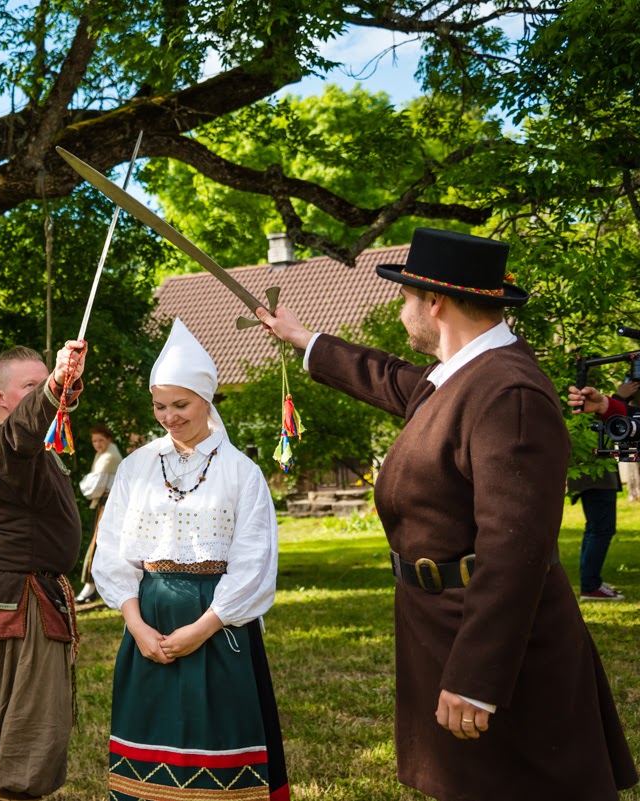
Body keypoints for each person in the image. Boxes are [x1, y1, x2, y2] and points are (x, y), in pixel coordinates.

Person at [257, 227, 637, 800]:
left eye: (407, 297)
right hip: (440, 623)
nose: (402, 307)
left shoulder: (508, 393)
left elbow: (516, 551)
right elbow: (388, 379)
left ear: (434, 302)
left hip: (496, 647)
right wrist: (304, 339)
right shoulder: (461, 376)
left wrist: (477, 679)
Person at [91, 320, 287, 801]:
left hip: (219, 624)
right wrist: (135, 625)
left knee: (216, 743)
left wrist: (202, 628)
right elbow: (115, 552)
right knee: (151, 752)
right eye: (160, 406)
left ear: (207, 400)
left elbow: (254, 563)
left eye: (181, 405)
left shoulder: (241, 472)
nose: (169, 417)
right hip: (149, 621)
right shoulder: (136, 466)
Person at [0, 341, 86, 801]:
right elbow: (24, 431)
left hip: (18, 598)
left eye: (42, 384)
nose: (39, 395)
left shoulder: (31, 445)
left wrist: (64, 382)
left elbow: (36, 424)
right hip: (22, 602)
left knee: (3, 710)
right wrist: (54, 384)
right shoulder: (3, 443)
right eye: (29, 386)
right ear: (1, 397)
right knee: (29, 721)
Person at [567, 379, 639, 600]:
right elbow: (613, 428)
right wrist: (612, 401)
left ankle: (590, 582)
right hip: (594, 477)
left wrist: (610, 403)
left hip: (598, 477)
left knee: (596, 530)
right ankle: (590, 584)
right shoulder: (578, 407)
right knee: (600, 530)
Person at [73, 424, 123, 603]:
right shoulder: (103, 454)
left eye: (101, 440)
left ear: (109, 439)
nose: (98, 444)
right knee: (105, 544)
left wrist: (84, 482)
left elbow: (91, 489)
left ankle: (90, 588)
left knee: (99, 543)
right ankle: (94, 588)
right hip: (107, 503)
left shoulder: (109, 456)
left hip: (110, 505)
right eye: (95, 441)